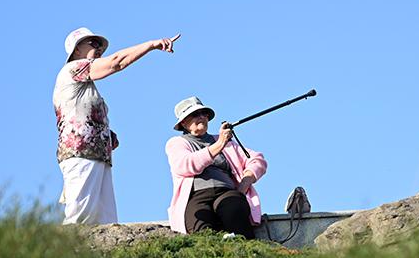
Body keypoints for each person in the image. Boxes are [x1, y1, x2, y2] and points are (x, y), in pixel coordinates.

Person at [53, 27, 179, 224]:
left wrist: (106, 134)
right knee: (79, 216)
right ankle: (64, 254)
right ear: (77, 51)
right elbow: (116, 63)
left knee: (104, 221)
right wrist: (151, 45)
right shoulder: (73, 68)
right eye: (93, 44)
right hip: (81, 153)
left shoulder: (84, 86)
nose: (99, 49)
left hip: (95, 155)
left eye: (100, 46)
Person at [165, 97, 267, 238]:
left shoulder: (227, 143)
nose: (201, 117)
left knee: (235, 209)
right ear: (183, 122)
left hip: (226, 192)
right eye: (195, 114)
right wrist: (219, 144)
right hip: (196, 196)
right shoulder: (177, 143)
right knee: (200, 229)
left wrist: (244, 184)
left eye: (204, 114)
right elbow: (185, 165)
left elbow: (257, 160)